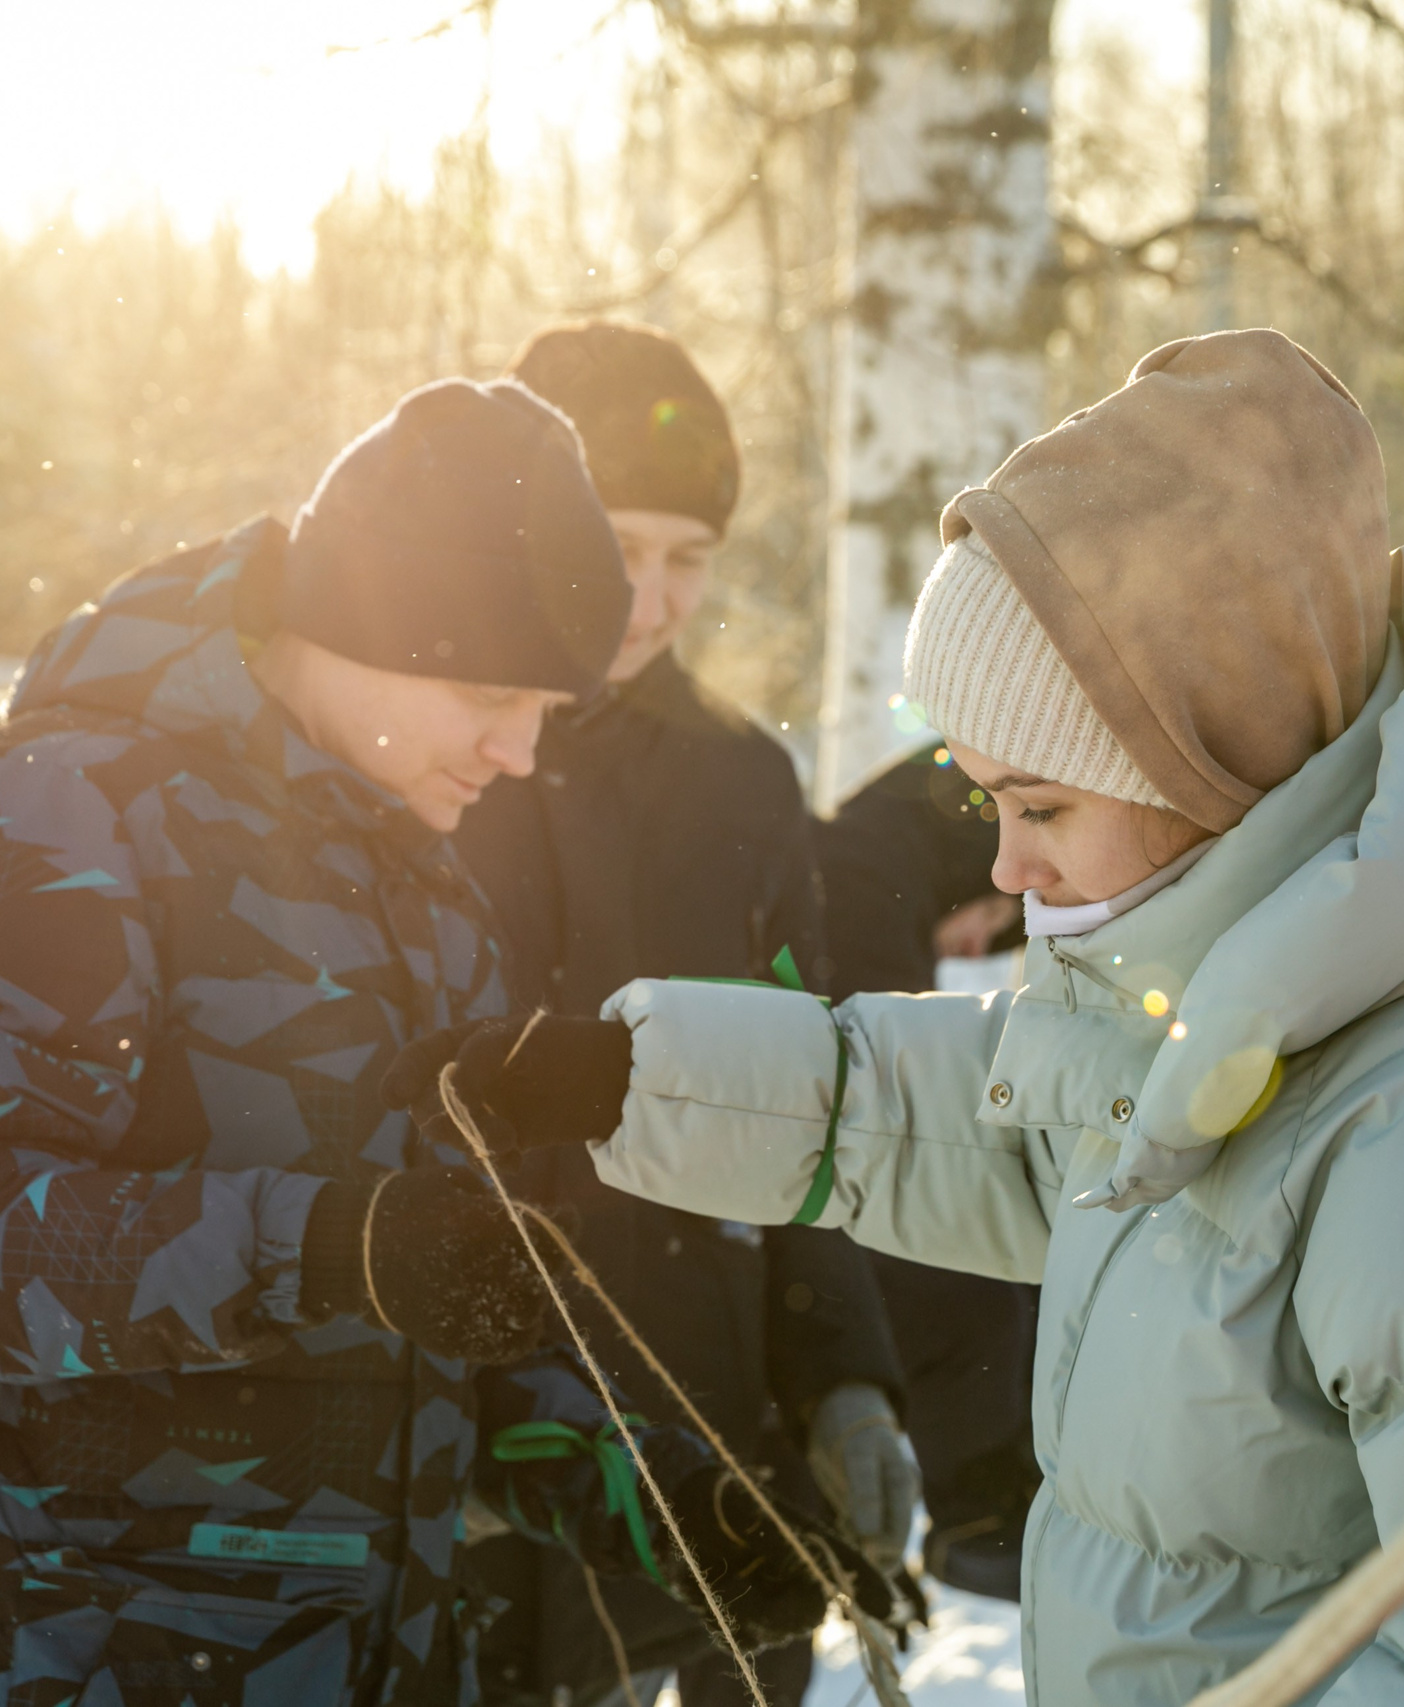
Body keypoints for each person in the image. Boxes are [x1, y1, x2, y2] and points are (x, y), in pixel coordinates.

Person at [400, 330, 1404, 1702]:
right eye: (988, 804)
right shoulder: (1283, 985)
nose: (1003, 869)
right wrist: (636, 1084)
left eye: (1041, 806)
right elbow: (1018, 1122)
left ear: (1212, 752)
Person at [0, 378, 870, 1707]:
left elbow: (423, 1311)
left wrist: (645, 1492)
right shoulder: (53, 817)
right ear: (361, 622)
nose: (517, 747)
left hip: (371, 1653)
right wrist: (324, 1242)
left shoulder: (421, 880)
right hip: (71, 1653)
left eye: (549, 703)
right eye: (492, 689)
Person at [446, 319, 914, 1707]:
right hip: (496, 1458)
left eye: (686, 558)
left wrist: (845, 1375)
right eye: (615, 543)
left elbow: (808, 1099)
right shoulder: (437, 757)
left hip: (726, 1436)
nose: (647, 598)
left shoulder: (743, 784)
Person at [816, 747, 1042, 1599]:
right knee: (967, 1251)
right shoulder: (863, 880)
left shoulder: (868, 859)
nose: (980, 939)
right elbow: (889, 1101)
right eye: (991, 909)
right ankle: (980, 1509)